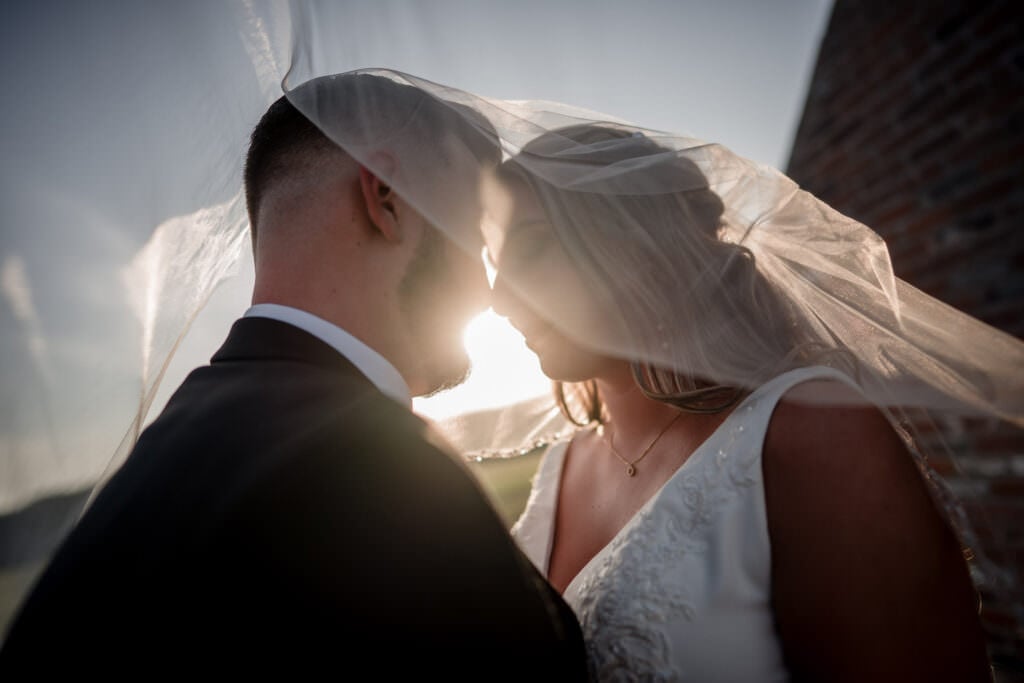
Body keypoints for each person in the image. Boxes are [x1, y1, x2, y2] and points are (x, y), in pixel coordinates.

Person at [0, 72, 591, 679]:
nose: (488, 291)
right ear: (385, 196)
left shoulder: (179, 433)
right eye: (472, 229)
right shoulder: (380, 473)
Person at [479, 122, 1004, 681]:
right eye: (494, 262)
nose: (498, 297)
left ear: (636, 243)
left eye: (532, 246)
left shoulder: (809, 435)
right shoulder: (559, 466)